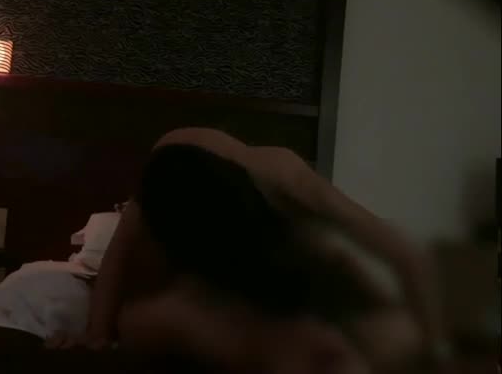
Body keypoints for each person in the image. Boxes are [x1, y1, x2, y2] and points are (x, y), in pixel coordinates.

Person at [47, 128, 448, 373]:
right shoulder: (172, 164)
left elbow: (405, 253)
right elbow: (120, 248)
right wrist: (96, 335)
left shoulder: (287, 183)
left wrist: (439, 354)